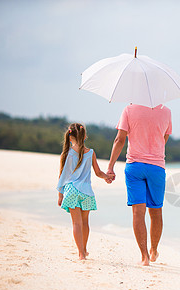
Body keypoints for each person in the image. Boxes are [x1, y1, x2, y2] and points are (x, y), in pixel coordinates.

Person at [107, 104, 172, 266]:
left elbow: (119, 139)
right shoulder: (166, 111)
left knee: (138, 212)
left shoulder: (129, 110)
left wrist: (110, 167)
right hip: (156, 167)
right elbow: (165, 137)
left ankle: (144, 257)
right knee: (156, 211)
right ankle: (154, 250)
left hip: (134, 166)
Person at [57, 123, 112, 260]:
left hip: (71, 190)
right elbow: (98, 172)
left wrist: (60, 195)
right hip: (86, 191)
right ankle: (84, 249)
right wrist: (107, 177)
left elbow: (61, 175)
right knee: (85, 222)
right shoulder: (91, 153)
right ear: (85, 136)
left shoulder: (67, 153)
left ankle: (81, 253)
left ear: (70, 137)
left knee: (76, 223)